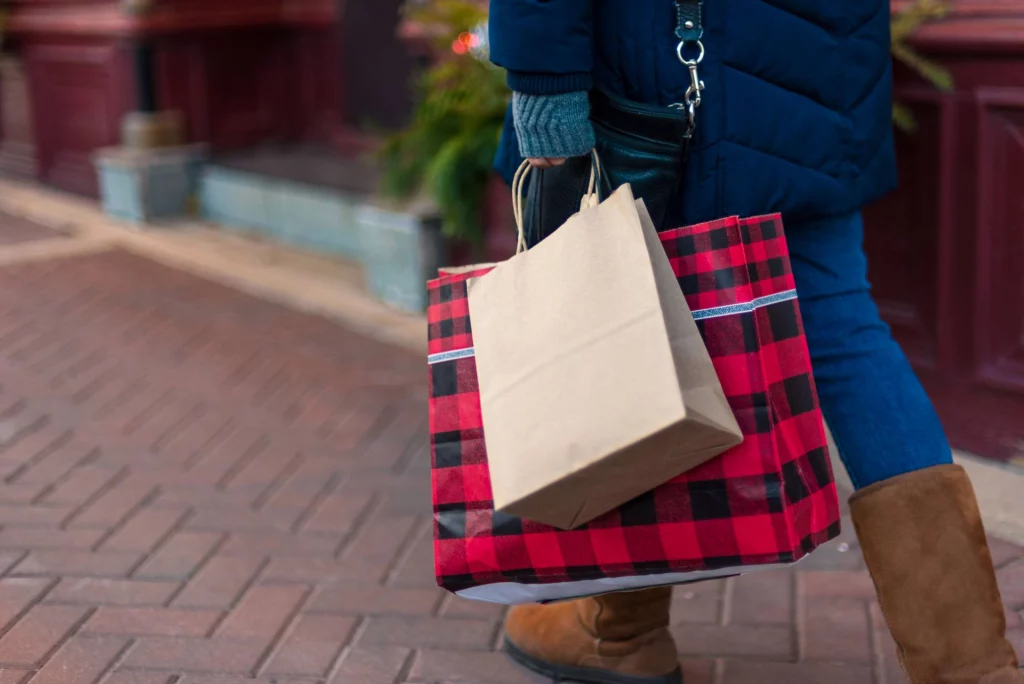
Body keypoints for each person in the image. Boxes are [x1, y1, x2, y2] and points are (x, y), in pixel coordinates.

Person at [486, 2, 1024, 684]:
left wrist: (546, 92)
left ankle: (619, 632)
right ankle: (972, 668)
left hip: (660, 76)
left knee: (625, 328)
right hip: (818, 81)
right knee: (844, 333)